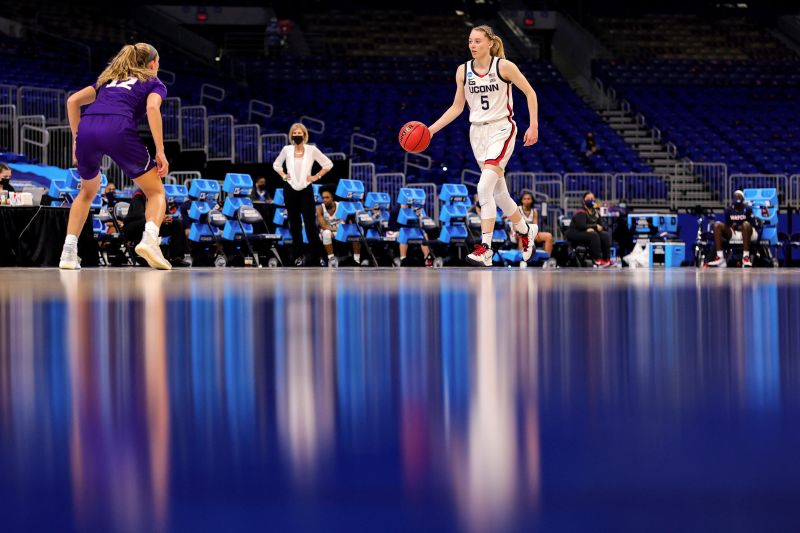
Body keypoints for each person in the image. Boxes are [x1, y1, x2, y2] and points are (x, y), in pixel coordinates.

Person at [428, 25, 539, 267]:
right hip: (477, 132)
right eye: (470, 41)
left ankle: (485, 248)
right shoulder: (462, 71)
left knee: (483, 187)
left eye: (478, 41)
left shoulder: (504, 67)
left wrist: (533, 126)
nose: (473, 45)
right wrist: (430, 130)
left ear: (490, 43)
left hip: (502, 128)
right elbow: (457, 108)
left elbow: (530, 93)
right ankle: (525, 229)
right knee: (500, 194)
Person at [58, 43, 171, 270]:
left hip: (88, 128)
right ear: (152, 64)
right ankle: (150, 240)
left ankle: (68, 252)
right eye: (158, 61)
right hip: (118, 128)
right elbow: (152, 109)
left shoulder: (108, 81)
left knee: (87, 191)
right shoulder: (154, 82)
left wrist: (76, 138)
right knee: (156, 191)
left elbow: (73, 101)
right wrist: (160, 150)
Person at [272, 123, 332, 266]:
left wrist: (316, 177)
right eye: (295, 133)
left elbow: (328, 164)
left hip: (306, 190)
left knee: (310, 226)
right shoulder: (287, 149)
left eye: (299, 133)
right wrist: (283, 176)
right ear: (291, 135)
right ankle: (298, 257)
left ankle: (321, 257)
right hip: (290, 190)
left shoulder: (311, 150)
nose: (297, 135)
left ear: (304, 135)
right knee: (295, 225)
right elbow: (276, 165)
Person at [123, 188, 189, 267]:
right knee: (146, 222)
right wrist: (159, 218)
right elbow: (139, 215)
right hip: (134, 225)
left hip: (154, 223)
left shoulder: (161, 195)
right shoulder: (139, 195)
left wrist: (167, 217)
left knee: (177, 224)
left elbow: (166, 212)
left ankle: (176, 257)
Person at [705, 189, 756, 268]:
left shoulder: (748, 209)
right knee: (717, 225)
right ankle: (720, 257)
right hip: (735, 233)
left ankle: (746, 257)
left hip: (749, 233)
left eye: (739, 197)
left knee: (745, 224)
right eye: (736, 196)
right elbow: (728, 226)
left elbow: (752, 225)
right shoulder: (728, 210)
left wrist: (740, 226)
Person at [566, 191, 613, 267]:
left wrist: (598, 227)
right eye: (588, 198)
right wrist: (593, 227)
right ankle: (597, 260)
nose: (591, 200)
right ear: (584, 200)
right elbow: (581, 226)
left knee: (605, 235)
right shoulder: (580, 211)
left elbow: (601, 226)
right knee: (593, 235)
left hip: (587, 233)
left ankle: (606, 260)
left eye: (592, 198)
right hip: (575, 233)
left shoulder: (596, 213)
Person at [316, 185, 361, 265]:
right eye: (323, 198)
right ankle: (331, 259)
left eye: (327, 197)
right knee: (326, 233)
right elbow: (324, 226)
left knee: (355, 232)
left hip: (340, 230)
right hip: (329, 231)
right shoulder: (320, 208)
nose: (324, 200)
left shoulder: (341, 206)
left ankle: (357, 260)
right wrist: (338, 229)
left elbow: (349, 220)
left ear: (332, 197)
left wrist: (347, 228)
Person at [510, 192, 554, 256]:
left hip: (530, 232)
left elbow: (535, 225)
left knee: (548, 236)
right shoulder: (517, 209)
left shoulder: (534, 211)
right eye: (524, 199)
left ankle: (546, 259)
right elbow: (515, 226)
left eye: (528, 199)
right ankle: (522, 259)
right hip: (517, 233)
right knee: (522, 235)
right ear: (521, 200)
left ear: (532, 200)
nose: (526, 200)